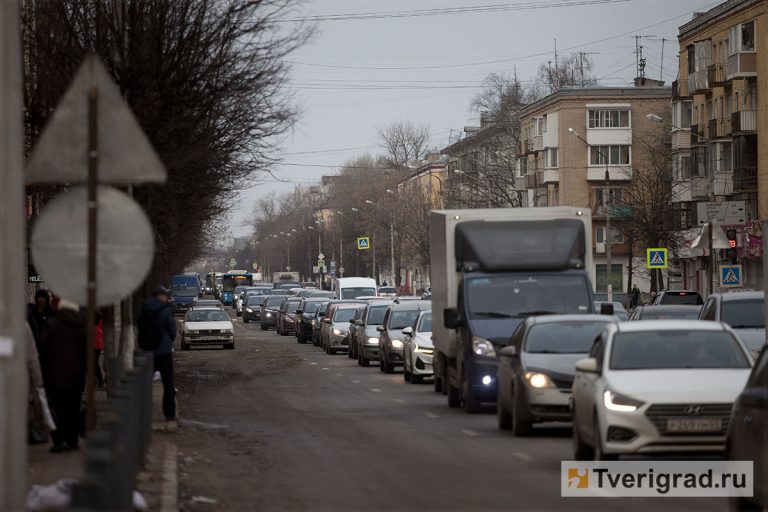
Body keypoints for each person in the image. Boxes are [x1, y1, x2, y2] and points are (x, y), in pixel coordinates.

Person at [39, 298, 86, 453]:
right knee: (73, 408)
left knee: (57, 408)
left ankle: (59, 441)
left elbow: (42, 348)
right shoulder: (81, 325)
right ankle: (72, 440)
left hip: (54, 375)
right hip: (76, 376)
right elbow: (86, 352)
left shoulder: (51, 324)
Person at [139, 286, 178, 430]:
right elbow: (172, 330)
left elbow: (139, 326)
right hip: (163, 351)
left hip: (147, 351)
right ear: (160, 296)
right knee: (168, 384)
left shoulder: (143, 308)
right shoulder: (164, 310)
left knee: (144, 384)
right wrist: (167, 342)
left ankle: (144, 411)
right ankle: (169, 414)